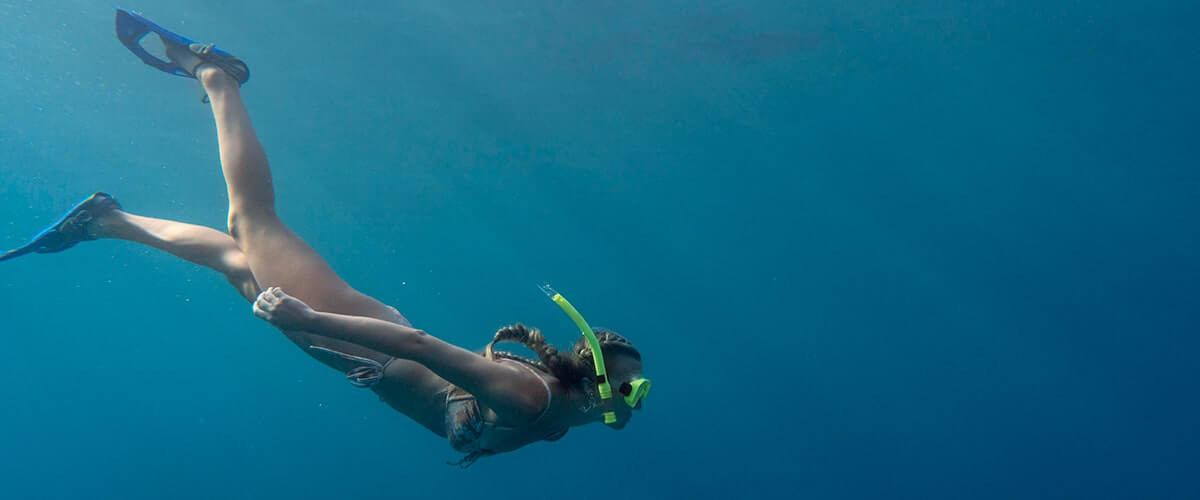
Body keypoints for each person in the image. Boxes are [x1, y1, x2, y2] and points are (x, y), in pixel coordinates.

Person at [1, 10, 649, 467]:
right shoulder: (532, 397)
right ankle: (214, 74)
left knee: (237, 260)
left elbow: (460, 405)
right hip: (356, 333)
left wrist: (454, 419)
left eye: (634, 390)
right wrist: (315, 317)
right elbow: (422, 346)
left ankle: (108, 221)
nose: (634, 400)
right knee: (254, 221)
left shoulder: (559, 424)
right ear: (593, 381)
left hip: (362, 351)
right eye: (628, 387)